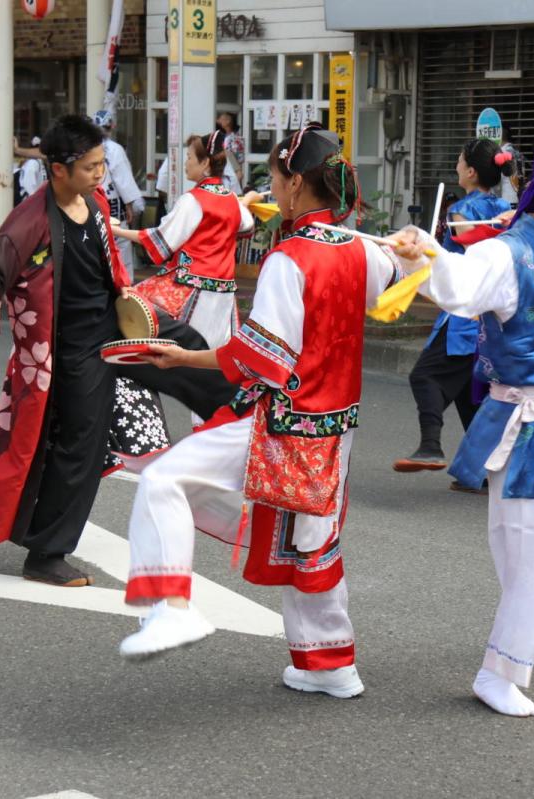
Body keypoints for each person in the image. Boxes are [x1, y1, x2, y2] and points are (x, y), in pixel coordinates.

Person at [0, 114, 235, 587]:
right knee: (80, 446)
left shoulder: (94, 205)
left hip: (112, 324)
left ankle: (240, 406)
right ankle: (46, 554)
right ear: (59, 169)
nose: (99, 175)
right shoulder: (34, 215)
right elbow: (0, 253)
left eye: (100, 164)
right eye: (90, 167)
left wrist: (131, 305)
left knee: (182, 342)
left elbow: (109, 270)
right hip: (70, 347)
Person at [115, 124, 398, 701]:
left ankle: (169, 604)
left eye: (274, 176)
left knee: (165, 479)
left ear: (295, 184)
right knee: (310, 541)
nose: (270, 186)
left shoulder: (289, 260)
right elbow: (401, 277)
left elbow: (259, 358)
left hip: (279, 425)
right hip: (334, 429)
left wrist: (183, 358)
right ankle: (329, 664)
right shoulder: (364, 251)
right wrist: (412, 245)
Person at [392, 135, 534, 717]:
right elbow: (459, 290)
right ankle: (501, 671)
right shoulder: (506, 253)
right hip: (526, 423)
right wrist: (425, 253)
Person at [393, 138, 513, 473]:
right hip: (492, 310)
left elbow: (469, 251)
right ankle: (481, 471)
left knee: (425, 376)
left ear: (471, 172)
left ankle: (431, 446)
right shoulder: (505, 209)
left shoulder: (463, 209)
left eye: (460, 161)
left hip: (465, 310)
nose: (457, 165)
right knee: (467, 393)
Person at [114, 131, 256, 349]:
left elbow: (160, 239)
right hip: (224, 292)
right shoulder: (230, 198)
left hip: (191, 290)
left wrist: (116, 230)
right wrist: (246, 200)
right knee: (214, 352)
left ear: (205, 163)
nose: (185, 163)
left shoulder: (193, 200)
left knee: (140, 314)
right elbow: (246, 224)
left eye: (189, 157)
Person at [92, 110, 145, 279]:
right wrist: (132, 205)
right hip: (114, 210)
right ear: (112, 126)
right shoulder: (114, 149)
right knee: (121, 255)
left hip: (92, 208)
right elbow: (124, 182)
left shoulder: (87, 147)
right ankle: (125, 295)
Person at [217, 111, 245, 194]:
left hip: (232, 170)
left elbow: (232, 154)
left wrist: (238, 170)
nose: (219, 121)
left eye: (221, 119)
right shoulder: (225, 136)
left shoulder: (233, 137)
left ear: (228, 121)